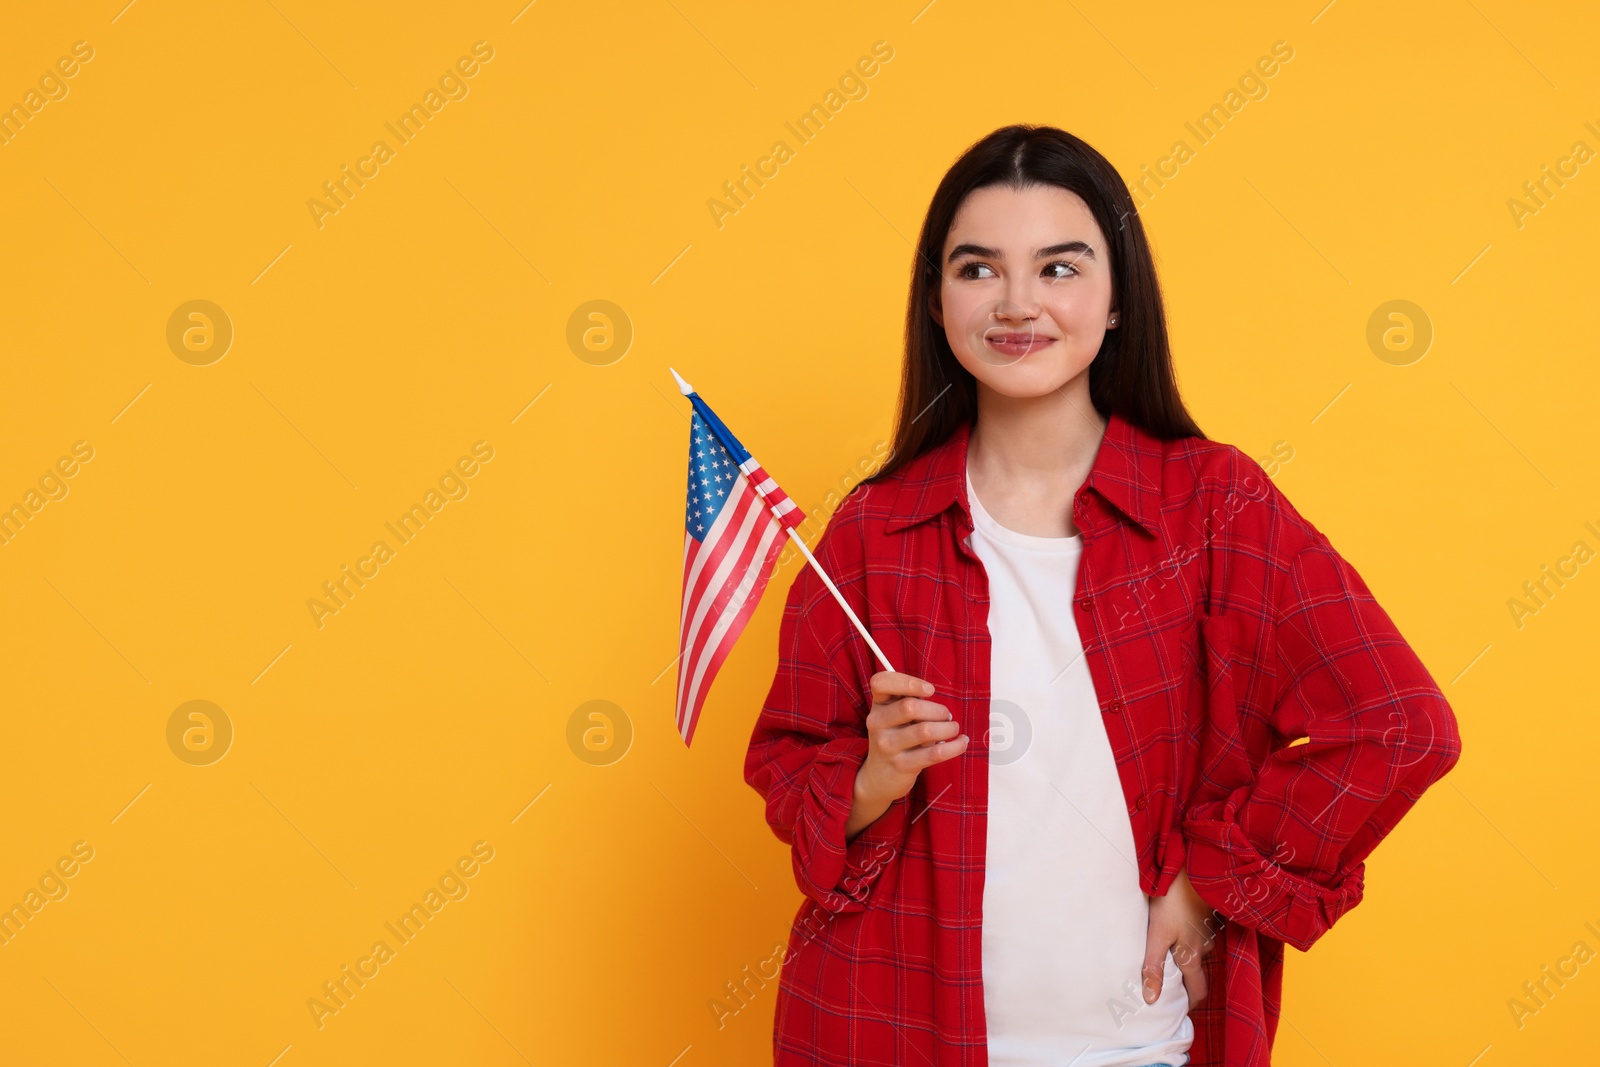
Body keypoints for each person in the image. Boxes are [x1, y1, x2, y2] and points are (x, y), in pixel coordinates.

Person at [743, 124, 1462, 1067]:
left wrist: (1215, 879)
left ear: (1118, 297)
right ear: (935, 299)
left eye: (1058, 267)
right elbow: (790, 765)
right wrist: (875, 776)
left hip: (1133, 1041)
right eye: (977, 269)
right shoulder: (874, 532)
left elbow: (1401, 724)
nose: (1015, 303)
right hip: (887, 1028)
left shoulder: (1214, 506)